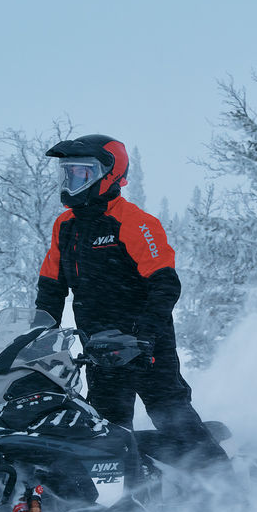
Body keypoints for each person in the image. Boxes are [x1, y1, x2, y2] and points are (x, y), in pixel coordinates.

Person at [34, 134, 229, 469]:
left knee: (174, 419)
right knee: (107, 432)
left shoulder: (136, 223)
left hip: (145, 348)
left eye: (81, 173)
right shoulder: (64, 227)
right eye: (68, 173)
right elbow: (51, 288)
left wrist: (145, 337)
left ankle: (225, 484)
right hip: (98, 349)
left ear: (109, 174)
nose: (71, 181)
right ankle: (129, 498)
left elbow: (165, 285)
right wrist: (38, 336)